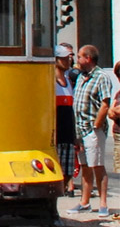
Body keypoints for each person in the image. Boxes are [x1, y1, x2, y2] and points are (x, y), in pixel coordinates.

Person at [67, 45, 112, 219]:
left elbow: (105, 103)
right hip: (80, 129)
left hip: (92, 130)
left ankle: (103, 204)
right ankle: (84, 202)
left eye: (79, 57)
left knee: (97, 166)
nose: (76, 60)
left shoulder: (101, 77)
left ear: (88, 58)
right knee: (85, 166)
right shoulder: (81, 77)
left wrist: (96, 125)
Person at [54, 45, 75, 196]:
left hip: (68, 132)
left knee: (68, 170)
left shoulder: (68, 80)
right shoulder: (50, 81)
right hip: (57, 131)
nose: (68, 60)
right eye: (63, 58)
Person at [108, 61, 120, 174]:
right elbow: (110, 113)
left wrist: (115, 110)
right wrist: (114, 111)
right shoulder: (118, 94)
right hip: (118, 134)